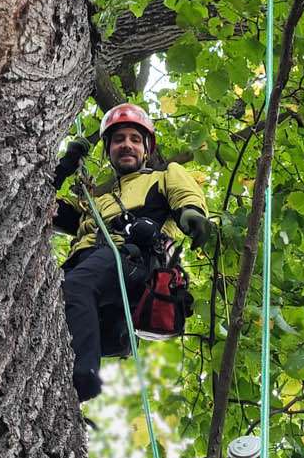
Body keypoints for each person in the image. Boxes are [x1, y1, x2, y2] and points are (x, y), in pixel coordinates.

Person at [54, 103, 210, 402]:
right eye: (118, 139)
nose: (126, 144)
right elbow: (37, 203)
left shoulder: (162, 177)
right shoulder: (93, 201)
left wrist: (191, 215)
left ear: (147, 149)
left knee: (75, 286)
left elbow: (184, 195)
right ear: (108, 150)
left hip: (133, 258)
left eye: (135, 139)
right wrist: (66, 165)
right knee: (54, 297)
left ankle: (82, 377)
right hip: (87, 267)